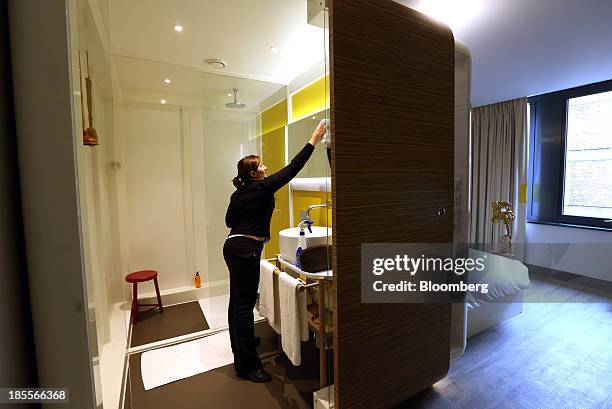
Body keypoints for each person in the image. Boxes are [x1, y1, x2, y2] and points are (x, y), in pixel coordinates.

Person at [223, 121, 326, 383]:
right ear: (254, 173)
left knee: (237, 301)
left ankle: (241, 346)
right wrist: (313, 139)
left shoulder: (238, 194)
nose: (266, 168)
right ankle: (247, 366)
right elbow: (293, 167)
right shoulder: (262, 186)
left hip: (233, 246)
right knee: (244, 306)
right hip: (246, 250)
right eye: (261, 166)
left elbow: (228, 221)